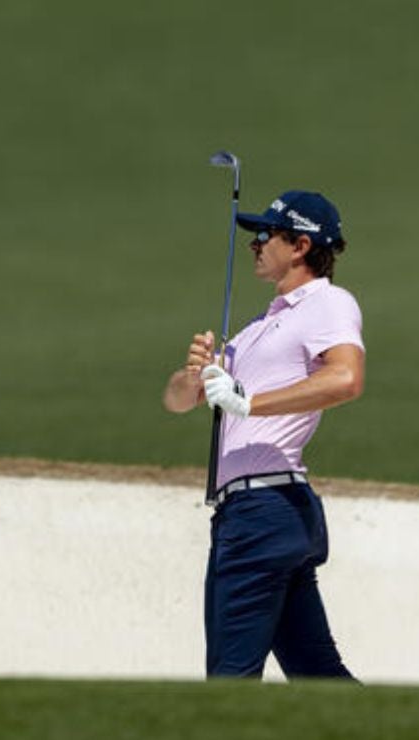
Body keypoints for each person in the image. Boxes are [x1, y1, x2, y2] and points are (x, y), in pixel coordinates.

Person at [162, 190, 365, 680]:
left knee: (229, 683)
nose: (254, 245)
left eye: (264, 235)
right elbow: (175, 401)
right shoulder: (260, 327)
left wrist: (249, 403)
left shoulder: (328, 302)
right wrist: (196, 377)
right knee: (319, 677)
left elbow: (346, 379)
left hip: (264, 511)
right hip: (261, 514)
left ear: (299, 245)